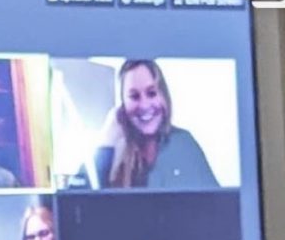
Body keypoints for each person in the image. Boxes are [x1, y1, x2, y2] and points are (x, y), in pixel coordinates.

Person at [92, 59, 218, 189]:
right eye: (134, 96)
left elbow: (218, 204)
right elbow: (77, 200)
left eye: (151, 93)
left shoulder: (184, 144)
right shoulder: (114, 154)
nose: (144, 105)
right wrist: (105, 143)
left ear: (164, 96)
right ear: (122, 105)